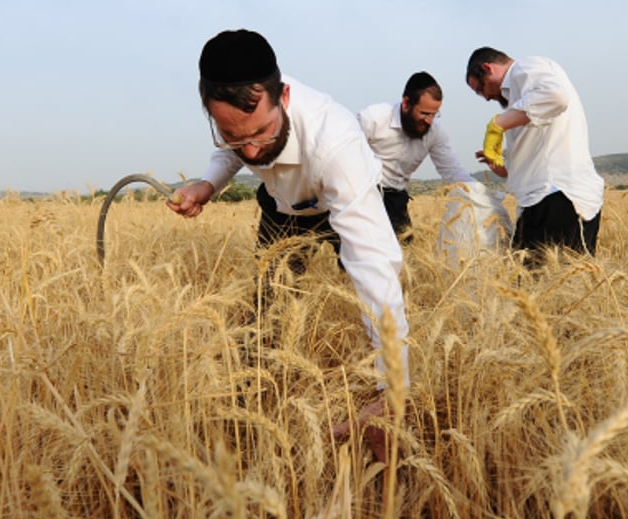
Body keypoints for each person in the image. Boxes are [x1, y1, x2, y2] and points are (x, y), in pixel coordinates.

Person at [168, 29, 408, 461]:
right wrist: (208, 184)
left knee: (363, 288)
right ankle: (248, 404)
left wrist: (395, 389)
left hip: (334, 202)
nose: (254, 150)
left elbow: (373, 264)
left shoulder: (336, 143)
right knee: (267, 305)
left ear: (285, 96)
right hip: (283, 209)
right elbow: (235, 147)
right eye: (234, 135)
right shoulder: (240, 127)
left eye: (262, 130)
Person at [465, 47, 604, 262]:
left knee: (550, 287)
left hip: (558, 199)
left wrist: (497, 125)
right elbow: (538, 150)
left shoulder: (525, 68)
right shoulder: (518, 102)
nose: (485, 97)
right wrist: (503, 167)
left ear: (487, 68)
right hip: (542, 200)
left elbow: (556, 97)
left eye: (480, 88)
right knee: (537, 288)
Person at [357, 71, 475, 241]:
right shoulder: (372, 119)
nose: (429, 121)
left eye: (434, 114)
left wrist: (479, 194)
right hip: (365, 195)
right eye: (424, 113)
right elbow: (344, 158)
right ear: (406, 103)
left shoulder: (435, 133)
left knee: (404, 253)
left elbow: (453, 171)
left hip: (396, 199)